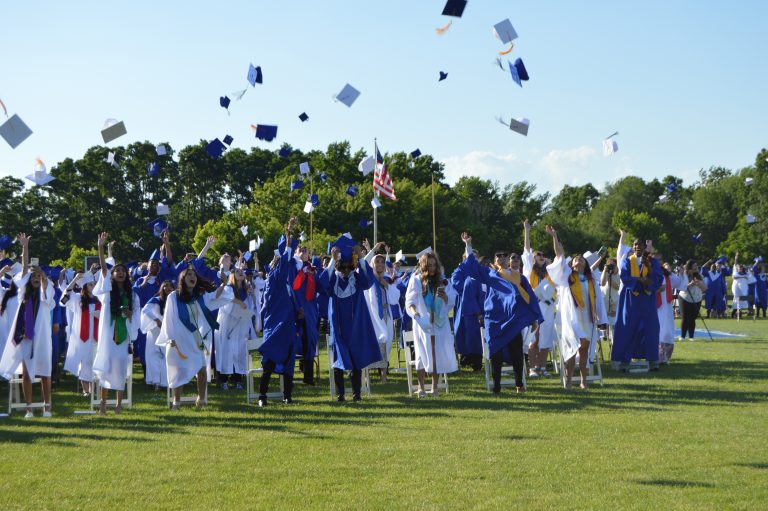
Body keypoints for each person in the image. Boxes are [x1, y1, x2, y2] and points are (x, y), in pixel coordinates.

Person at [459, 232, 542, 394]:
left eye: (505, 255)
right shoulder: (490, 274)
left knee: (516, 352)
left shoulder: (518, 277)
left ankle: (519, 383)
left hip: (513, 319)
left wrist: (534, 318)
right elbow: (473, 266)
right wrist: (468, 245)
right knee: (495, 352)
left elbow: (529, 297)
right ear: (494, 259)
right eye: (499, 256)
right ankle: (496, 385)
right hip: (494, 319)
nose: (502, 257)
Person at [318, 234, 381, 402]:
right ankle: (340, 395)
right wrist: (332, 260)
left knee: (356, 359)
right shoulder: (333, 281)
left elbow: (369, 281)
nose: (346, 270)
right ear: (338, 267)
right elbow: (321, 285)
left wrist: (360, 257)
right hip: (339, 327)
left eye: (348, 267)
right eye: (342, 267)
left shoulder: (357, 279)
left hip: (356, 326)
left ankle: (356, 394)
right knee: (339, 360)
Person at [0, 234, 56, 417]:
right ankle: (29, 408)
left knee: (45, 373)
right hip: (26, 337)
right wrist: (25, 247)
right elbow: (24, 268)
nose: (36, 278)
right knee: (27, 373)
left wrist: (42, 274)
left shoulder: (46, 293)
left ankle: (47, 407)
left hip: (43, 338)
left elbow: (47, 285)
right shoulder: (23, 293)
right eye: (34, 276)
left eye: (39, 276)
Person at [544, 226, 607, 389]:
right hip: (572, 319)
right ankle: (569, 381)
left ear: (586, 263)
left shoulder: (590, 279)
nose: (578, 259)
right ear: (571, 264)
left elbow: (598, 299)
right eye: (576, 258)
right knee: (571, 349)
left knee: (585, 350)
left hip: (587, 318)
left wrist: (602, 318)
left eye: (582, 258)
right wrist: (555, 236)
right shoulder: (566, 277)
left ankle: (583, 380)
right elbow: (559, 254)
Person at [92, 233, 141, 415]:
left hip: (123, 336)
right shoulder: (107, 291)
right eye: (117, 270)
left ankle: (119, 404)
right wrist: (101, 248)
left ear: (127, 275)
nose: (120, 272)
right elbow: (104, 269)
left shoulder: (133, 295)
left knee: (121, 368)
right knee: (106, 367)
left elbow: (137, 317)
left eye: (123, 271)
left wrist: (129, 316)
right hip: (108, 336)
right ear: (112, 275)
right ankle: (104, 403)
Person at [405, 250, 458, 397]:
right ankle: (421, 387)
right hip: (423, 322)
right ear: (423, 265)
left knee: (437, 354)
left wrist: (445, 297)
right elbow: (410, 301)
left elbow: (452, 300)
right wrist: (416, 316)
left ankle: (435, 387)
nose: (432, 268)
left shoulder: (443, 280)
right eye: (429, 265)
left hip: (439, 322)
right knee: (422, 353)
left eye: (434, 265)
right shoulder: (416, 280)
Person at [611, 237, 664, 371]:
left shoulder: (653, 261)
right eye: (635, 245)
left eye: (640, 245)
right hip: (630, 299)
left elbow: (657, 278)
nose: (637, 247)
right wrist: (641, 280)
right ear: (632, 247)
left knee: (651, 328)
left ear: (644, 247)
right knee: (627, 328)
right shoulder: (627, 260)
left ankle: (653, 360)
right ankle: (624, 361)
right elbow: (625, 276)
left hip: (647, 298)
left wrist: (649, 268)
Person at [522, 219, 557, 378]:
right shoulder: (530, 270)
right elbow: (527, 251)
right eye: (539, 255)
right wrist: (527, 231)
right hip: (535, 307)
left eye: (543, 255)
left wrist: (553, 237)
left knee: (546, 339)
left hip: (548, 307)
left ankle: (542, 367)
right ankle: (533, 367)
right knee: (534, 339)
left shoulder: (550, 272)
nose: (541, 256)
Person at [362, 241, 400, 383]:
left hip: (385, 315)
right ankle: (366, 376)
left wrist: (385, 284)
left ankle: (383, 376)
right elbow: (362, 264)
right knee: (371, 344)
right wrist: (372, 249)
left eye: (382, 263)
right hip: (371, 317)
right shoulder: (367, 280)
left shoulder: (386, 280)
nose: (380, 265)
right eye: (377, 262)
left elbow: (395, 298)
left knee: (386, 345)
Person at [216, 267, 257, 390]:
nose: (241, 273)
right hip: (227, 325)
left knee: (239, 351)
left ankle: (238, 379)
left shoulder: (246, 289)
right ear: (233, 275)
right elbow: (226, 303)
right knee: (225, 352)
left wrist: (252, 295)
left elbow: (253, 306)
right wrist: (239, 303)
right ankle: (223, 381)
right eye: (238, 272)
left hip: (241, 325)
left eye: (242, 272)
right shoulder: (228, 288)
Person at [61, 272, 100, 396]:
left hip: (97, 335)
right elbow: (64, 299)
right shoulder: (78, 299)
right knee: (84, 361)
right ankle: (86, 390)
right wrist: (75, 279)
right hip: (82, 336)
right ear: (84, 286)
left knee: (95, 361)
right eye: (90, 284)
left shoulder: (100, 299)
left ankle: (97, 389)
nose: (93, 286)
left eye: (94, 284)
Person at [450, 248, 484, 372]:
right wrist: (471, 285)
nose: (471, 260)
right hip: (463, 307)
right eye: (469, 258)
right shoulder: (458, 272)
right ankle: (466, 357)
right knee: (464, 332)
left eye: (474, 258)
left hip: (480, 306)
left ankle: (477, 360)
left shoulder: (481, 272)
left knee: (477, 334)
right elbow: (457, 284)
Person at [292, 246, 320, 385]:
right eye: (301, 251)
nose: (304, 253)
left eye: (306, 251)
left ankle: (308, 377)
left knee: (310, 341)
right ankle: (287, 375)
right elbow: (294, 287)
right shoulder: (294, 268)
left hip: (310, 309)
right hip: (297, 308)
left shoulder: (312, 269)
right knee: (295, 340)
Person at [140, 280, 173, 390]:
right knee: (153, 356)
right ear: (162, 288)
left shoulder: (174, 301)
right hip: (155, 330)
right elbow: (145, 310)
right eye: (166, 286)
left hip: (167, 331)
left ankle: (166, 382)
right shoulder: (156, 300)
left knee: (166, 356)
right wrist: (156, 320)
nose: (168, 288)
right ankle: (156, 381)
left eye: (171, 286)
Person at [655, 254, 682, 364]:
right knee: (657, 331)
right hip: (653, 305)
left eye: (659, 259)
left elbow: (679, 282)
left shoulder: (667, 274)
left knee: (666, 331)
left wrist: (681, 273)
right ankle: (654, 356)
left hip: (666, 306)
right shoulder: (648, 272)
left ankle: (663, 357)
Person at [677, 260, 707, 341]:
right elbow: (681, 287)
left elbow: (705, 288)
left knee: (693, 318)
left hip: (697, 299)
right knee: (685, 317)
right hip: (685, 298)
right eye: (694, 266)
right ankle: (682, 336)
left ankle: (691, 337)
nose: (696, 267)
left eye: (696, 266)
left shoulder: (699, 276)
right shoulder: (685, 275)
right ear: (689, 267)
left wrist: (699, 283)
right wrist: (691, 284)